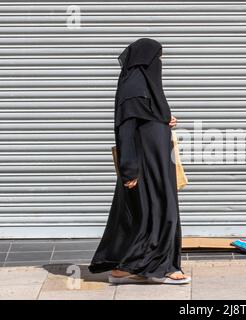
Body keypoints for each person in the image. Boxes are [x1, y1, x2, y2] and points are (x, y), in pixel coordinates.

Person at [88, 38, 190, 284]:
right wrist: (129, 170)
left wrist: (165, 119)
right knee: (157, 214)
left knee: (148, 215)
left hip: (157, 164)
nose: (161, 64)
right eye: (159, 59)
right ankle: (163, 267)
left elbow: (150, 116)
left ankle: (127, 268)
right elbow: (126, 132)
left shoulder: (145, 88)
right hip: (144, 167)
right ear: (147, 61)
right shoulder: (134, 89)